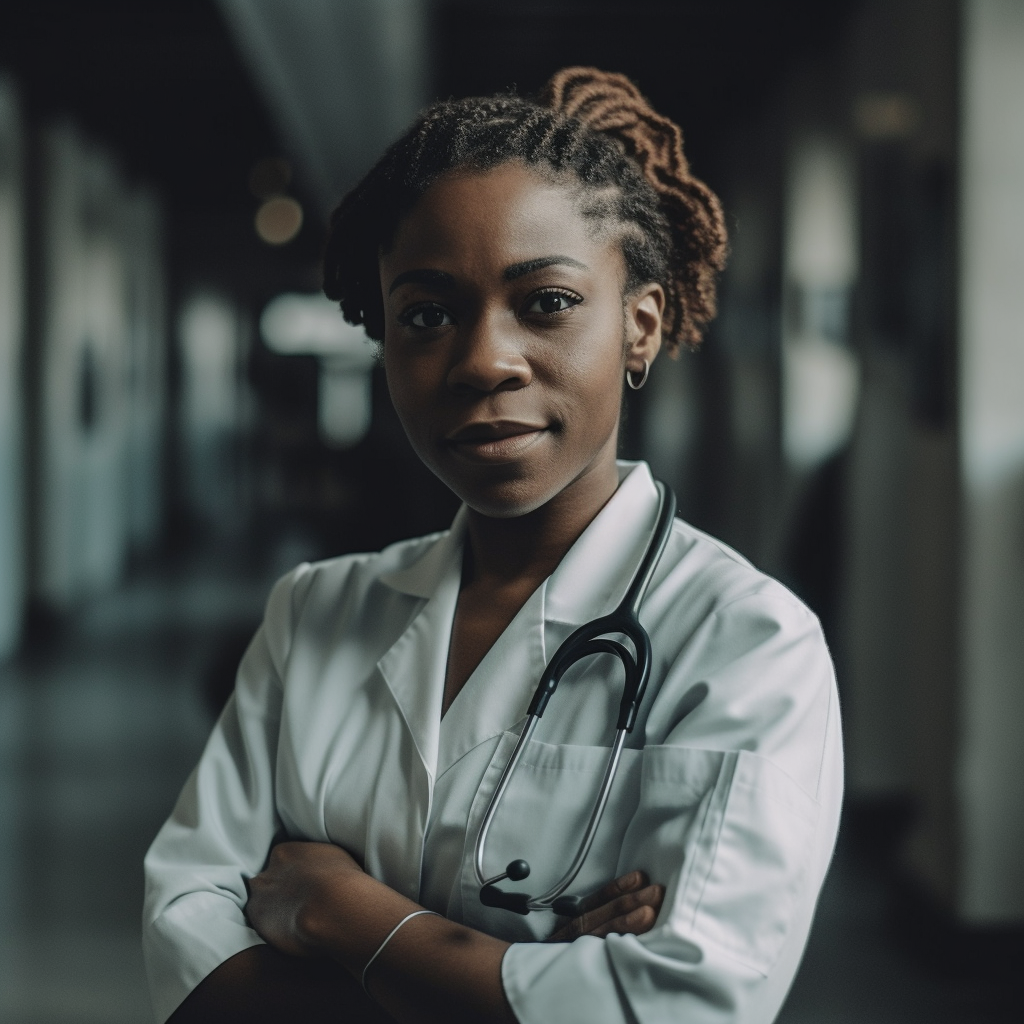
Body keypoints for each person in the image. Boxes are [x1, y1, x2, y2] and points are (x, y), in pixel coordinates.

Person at [144, 67, 843, 1024]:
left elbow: (680, 1011)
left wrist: (345, 915)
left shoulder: (747, 647)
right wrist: (528, 976)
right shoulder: (314, 611)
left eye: (546, 302)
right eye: (426, 315)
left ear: (639, 327)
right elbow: (192, 961)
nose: (482, 361)